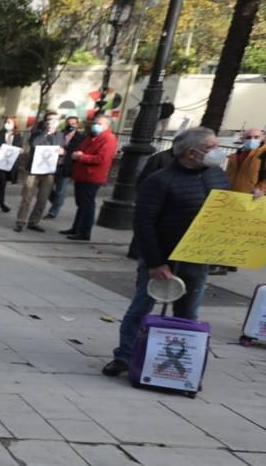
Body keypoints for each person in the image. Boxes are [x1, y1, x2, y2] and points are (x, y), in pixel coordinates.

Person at [102, 127, 229, 378]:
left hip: (196, 256)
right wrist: (156, 261)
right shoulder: (160, 180)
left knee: (188, 312)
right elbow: (144, 223)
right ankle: (124, 356)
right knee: (141, 307)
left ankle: (176, 364)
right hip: (162, 256)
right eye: (212, 147)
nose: (218, 151)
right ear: (192, 153)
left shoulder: (217, 175)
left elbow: (228, 207)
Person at [61, 114, 117, 241]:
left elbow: (101, 159)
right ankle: (76, 227)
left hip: (92, 176)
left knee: (87, 205)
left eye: (99, 124)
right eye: (95, 123)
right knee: (81, 204)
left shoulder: (108, 139)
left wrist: (81, 156)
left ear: (107, 126)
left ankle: (84, 232)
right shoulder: (91, 137)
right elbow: (80, 149)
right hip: (82, 174)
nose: (95, 125)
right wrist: (77, 154)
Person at [14, 112, 64, 233]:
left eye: (55, 120)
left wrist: (62, 151)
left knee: (42, 198)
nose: (52, 123)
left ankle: (34, 222)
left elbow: (61, 148)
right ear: (45, 121)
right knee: (27, 197)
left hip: (48, 172)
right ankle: (20, 221)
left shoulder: (60, 135)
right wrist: (46, 132)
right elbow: (34, 144)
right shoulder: (37, 132)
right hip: (33, 170)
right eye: (50, 120)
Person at [46, 115, 84, 219]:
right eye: (68, 123)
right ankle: (56, 201)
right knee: (46, 187)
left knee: (61, 191)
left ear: (77, 125)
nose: (70, 125)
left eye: (73, 124)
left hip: (66, 166)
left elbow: (78, 151)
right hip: (53, 165)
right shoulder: (59, 133)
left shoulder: (80, 137)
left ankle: (53, 211)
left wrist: (65, 152)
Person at [0, 116, 22, 212]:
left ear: (14, 124)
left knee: (3, 184)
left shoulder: (17, 135)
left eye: (9, 122)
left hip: (10, 163)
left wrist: (19, 151)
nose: (7, 124)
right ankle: (1, 203)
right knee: (2, 182)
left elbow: (19, 147)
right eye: (6, 122)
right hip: (0, 162)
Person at [227, 125, 265, 199]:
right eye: (248, 137)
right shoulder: (236, 154)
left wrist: (261, 189)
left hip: (251, 198)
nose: (252, 140)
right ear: (243, 139)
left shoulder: (264, 153)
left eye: (256, 137)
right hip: (230, 196)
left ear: (261, 139)